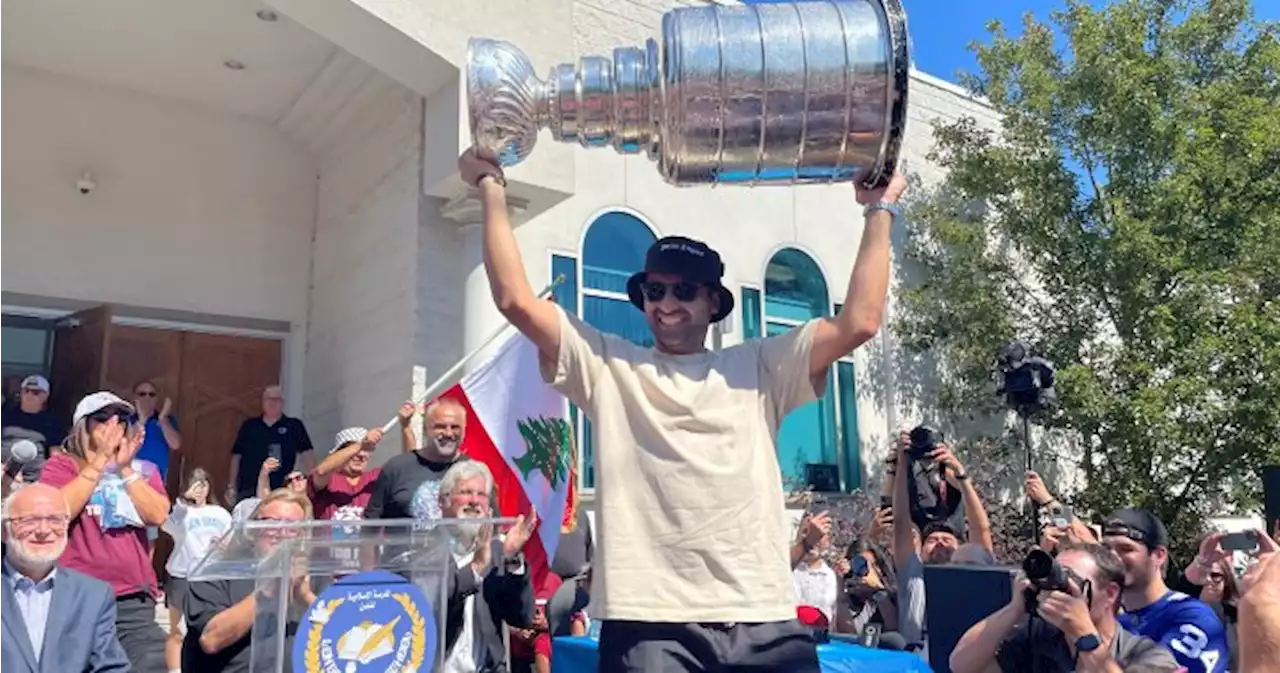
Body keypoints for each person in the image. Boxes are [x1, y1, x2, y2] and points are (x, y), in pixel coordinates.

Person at [459, 147, 905, 671]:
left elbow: (861, 322)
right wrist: (491, 184)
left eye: (684, 290)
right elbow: (514, 299)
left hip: (761, 614)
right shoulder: (608, 364)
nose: (666, 303)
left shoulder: (762, 365)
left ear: (714, 301)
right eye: (654, 290)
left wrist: (880, 209)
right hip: (650, 623)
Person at [38, 391, 170, 673]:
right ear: (82, 426)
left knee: (151, 664)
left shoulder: (143, 470)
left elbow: (157, 515)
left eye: (121, 418)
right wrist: (98, 462)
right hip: (77, 593)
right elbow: (57, 512)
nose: (113, 425)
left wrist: (124, 470)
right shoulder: (62, 466)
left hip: (132, 595)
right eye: (102, 418)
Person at [950, 542, 1180, 673]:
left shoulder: (1147, 655)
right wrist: (1014, 608)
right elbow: (962, 665)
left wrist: (1084, 635)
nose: (1058, 589)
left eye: (1072, 579)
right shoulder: (1038, 640)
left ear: (1110, 593)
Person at [0, 483, 130, 672]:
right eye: (29, 520)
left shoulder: (93, 595)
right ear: (4, 530)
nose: (43, 530)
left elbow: (110, 667)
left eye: (55, 520)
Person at [182, 489, 313, 673]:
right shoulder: (218, 572)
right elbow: (211, 640)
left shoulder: (314, 576)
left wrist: (305, 596)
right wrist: (271, 588)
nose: (281, 532)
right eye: (272, 523)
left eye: (292, 526)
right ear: (253, 530)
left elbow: (341, 630)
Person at [1102, 508, 1230, 673]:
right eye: (1105, 549)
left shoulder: (1193, 616)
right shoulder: (1108, 616)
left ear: (1159, 556)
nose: (1112, 557)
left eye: (1126, 549)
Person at [436, 460, 536, 671]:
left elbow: (522, 617)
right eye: (465, 492)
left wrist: (512, 558)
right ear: (443, 501)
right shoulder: (423, 550)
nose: (474, 501)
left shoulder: (498, 551)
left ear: (489, 507)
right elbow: (432, 608)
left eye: (481, 495)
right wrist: (476, 567)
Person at [161, 467, 232, 673]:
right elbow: (168, 526)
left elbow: (232, 541)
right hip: (183, 576)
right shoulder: (181, 512)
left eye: (204, 484)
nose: (200, 490)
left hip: (212, 576)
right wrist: (183, 501)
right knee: (178, 631)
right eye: (195, 484)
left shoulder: (220, 513)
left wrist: (225, 546)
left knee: (210, 627)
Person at [363, 399, 469, 522]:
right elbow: (370, 525)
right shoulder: (396, 468)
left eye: (455, 427)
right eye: (440, 426)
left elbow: (491, 526)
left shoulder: (476, 472)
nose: (448, 433)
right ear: (425, 429)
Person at [226, 386, 314, 503]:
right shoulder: (250, 426)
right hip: (249, 488)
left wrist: (312, 485)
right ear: (263, 402)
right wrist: (232, 485)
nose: (273, 403)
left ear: (282, 403)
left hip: (282, 489)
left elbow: (307, 454)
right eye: (269, 399)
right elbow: (236, 456)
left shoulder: (294, 426)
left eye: (276, 399)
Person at [308, 426, 384, 521]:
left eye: (367, 449)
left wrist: (405, 428)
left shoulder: (377, 477)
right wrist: (361, 445)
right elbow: (321, 472)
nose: (361, 455)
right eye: (353, 449)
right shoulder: (329, 480)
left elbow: (406, 470)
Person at [0, 375, 65, 482]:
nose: (29, 395)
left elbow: (56, 454)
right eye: (26, 391)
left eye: (36, 392)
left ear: (45, 396)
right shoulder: (4, 414)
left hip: (33, 480)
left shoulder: (52, 422)